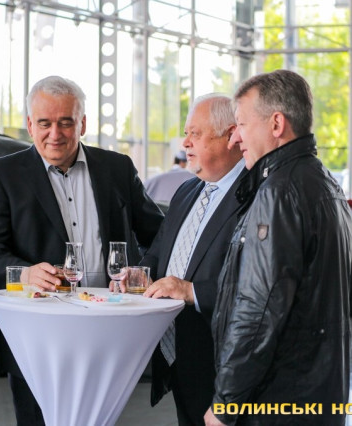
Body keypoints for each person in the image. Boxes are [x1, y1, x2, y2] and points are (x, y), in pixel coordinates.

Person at [0, 75, 164, 425]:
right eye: (44, 123)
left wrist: (143, 271)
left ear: (83, 124)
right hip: (38, 335)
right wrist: (26, 273)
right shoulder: (2, 175)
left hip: (107, 331)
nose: (55, 134)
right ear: (30, 125)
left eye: (66, 122)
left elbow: (158, 234)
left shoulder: (117, 168)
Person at [206, 70, 352, 426]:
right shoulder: (325, 183)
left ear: (276, 124)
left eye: (242, 124)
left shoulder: (278, 193)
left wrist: (225, 403)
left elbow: (258, 310)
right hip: (316, 395)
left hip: (276, 401)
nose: (235, 138)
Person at [138, 94, 245, 425]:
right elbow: (159, 253)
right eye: (186, 133)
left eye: (195, 134)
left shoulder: (257, 195)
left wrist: (191, 291)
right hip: (179, 358)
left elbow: (256, 286)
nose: (185, 143)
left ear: (230, 136)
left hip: (225, 365)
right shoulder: (187, 191)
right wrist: (138, 274)